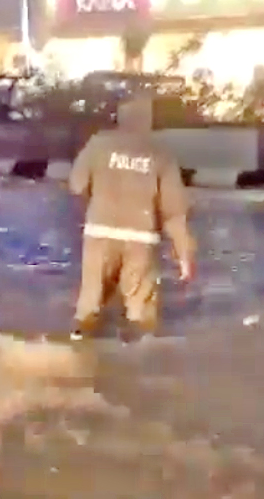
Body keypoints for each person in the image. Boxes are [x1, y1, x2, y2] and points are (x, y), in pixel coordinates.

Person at [68, 94, 194, 341]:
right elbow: (174, 211)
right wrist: (184, 256)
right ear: (148, 122)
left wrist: (95, 210)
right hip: (140, 238)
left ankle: (80, 347)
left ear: (119, 118)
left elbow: (76, 185)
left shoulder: (98, 144)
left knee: (89, 306)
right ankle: (139, 361)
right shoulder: (160, 153)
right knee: (140, 313)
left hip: (99, 233)